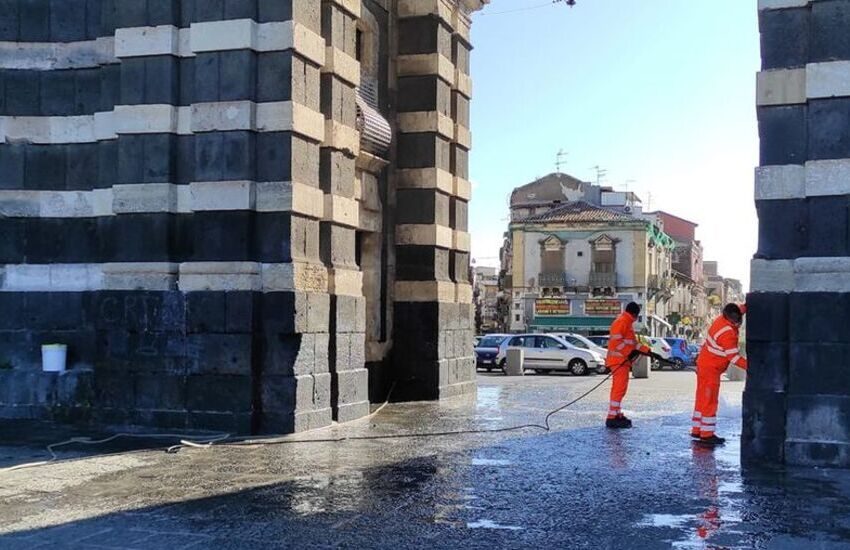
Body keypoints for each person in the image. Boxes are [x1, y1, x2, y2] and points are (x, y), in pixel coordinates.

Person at [691, 303, 748, 446]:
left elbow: (738, 309)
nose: (738, 323)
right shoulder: (727, 333)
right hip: (712, 368)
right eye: (736, 321)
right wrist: (752, 366)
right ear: (731, 319)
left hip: (704, 363)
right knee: (710, 400)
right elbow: (734, 358)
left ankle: (697, 429)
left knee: (702, 398)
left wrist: (748, 305)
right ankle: (707, 434)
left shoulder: (722, 318)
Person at [605, 302, 652, 429]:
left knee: (621, 389)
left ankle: (616, 413)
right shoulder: (622, 322)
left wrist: (646, 350)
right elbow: (617, 343)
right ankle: (612, 416)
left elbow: (633, 344)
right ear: (635, 314)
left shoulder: (626, 322)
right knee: (619, 389)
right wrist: (628, 353)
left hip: (622, 361)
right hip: (618, 361)